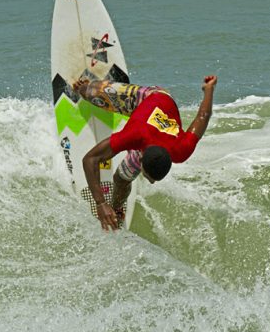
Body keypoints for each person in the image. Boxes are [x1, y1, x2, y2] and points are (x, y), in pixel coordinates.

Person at [73, 75, 218, 231]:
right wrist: (100, 203)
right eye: (149, 177)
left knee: (122, 179)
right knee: (90, 93)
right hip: (152, 97)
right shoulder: (133, 135)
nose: (151, 183)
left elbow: (204, 116)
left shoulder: (181, 150)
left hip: (156, 118)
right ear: (141, 157)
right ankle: (85, 88)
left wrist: (209, 90)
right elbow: (90, 159)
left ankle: (116, 209)